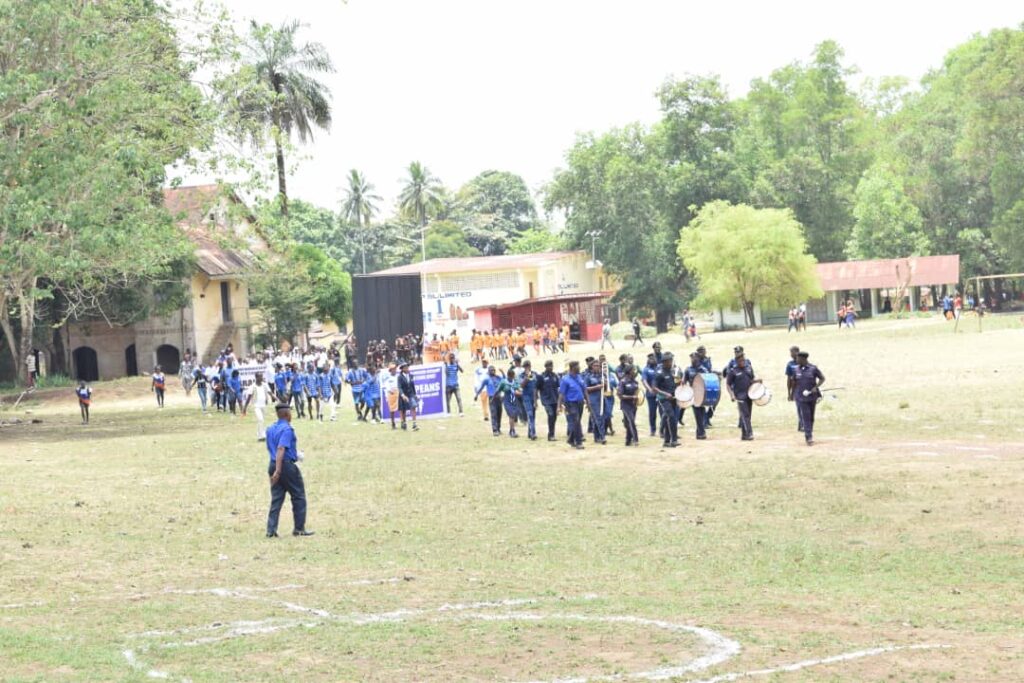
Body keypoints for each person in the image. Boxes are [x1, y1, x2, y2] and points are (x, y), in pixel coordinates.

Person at [265, 402, 313, 538]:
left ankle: (271, 530)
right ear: (287, 414)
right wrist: (279, 470)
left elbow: (273, 448)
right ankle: (299, 528)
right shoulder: (287, 429)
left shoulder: (270, 429)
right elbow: (281, 448)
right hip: (284, 466)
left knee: (277, 498)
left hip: (273, 463)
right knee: (298, 496)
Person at [792, 351, 825, 446]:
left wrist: (816, 387)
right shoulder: (795, 370)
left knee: (811, 417)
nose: (796, 360)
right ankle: (808, 437)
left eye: (798, 358)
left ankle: (809, 432)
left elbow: (822, 378)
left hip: (812, 397)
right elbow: (793, 382)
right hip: (801, 398)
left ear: (803, 359)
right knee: (805, 416)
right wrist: (792, 394)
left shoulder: (813, 369)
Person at [725, 349, 759, 441]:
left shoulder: (748, 368)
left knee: (748, 415)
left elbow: (751, 380)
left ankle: (744, 435)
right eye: (740, 361)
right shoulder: (733, 371)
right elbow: (728, 384)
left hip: (749, 395)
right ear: (736, 361)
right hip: (740, 396)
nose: (742, 362)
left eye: (743, 360)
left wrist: (757, 381)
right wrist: (731, 395)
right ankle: (749, 434)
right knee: (745, 415)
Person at [651, 353, 679, 448]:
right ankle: (674, 440)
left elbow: (675, 383)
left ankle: (666, 441)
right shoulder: (659, 373)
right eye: (670, 361)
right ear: (664, 362)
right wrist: (665, 394)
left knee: (669, 418)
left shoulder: (672, 372)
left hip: (673, 398)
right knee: (671, 417)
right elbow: (654, 388)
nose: (671, 362)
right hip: (663, 399)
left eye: (672, 360)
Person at [558, 360, 586, 450]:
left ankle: (570, 439)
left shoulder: (579, 377)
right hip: (570, 403)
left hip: (580, 402)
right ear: (572, 368)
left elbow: (584, 390)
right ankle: (579, 442)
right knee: (576, 421)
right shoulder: (565, 379)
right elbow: (561, 394)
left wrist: (588, 403)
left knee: (576, 422)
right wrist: (559, 406)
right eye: (578, 367)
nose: (579, 368)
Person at [475, 365, 504, 436]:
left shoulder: (498, 377)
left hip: (499, 397)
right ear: (488, 371)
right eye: (491, 370)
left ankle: (498, 428)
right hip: (492, 398)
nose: (493, 371)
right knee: (494, 414)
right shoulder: (487, 379)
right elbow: (481, 387)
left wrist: (502, 372)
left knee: (499, 413)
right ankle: (495, 430)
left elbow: (505, 380)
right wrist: (476, 395)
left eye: (494, 370)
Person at [583, 360, 607, 444]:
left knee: (598, 418)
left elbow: (606, 387)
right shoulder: (588, 376)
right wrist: (597, 387)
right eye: (595, 365)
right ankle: (602, 436)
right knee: (598, 418)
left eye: (598, 365)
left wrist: (606, 383)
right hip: (593, 399)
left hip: (602, 398)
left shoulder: (602, 375)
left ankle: (596, 437)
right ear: (592, 366)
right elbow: (585, 388)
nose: (597, 367)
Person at [536, 359, 560, 441]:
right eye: (549, 366)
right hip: (546, 400)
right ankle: (551, 435)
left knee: (554, 417)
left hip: (555, 400)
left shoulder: (555, 376)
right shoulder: (541, 377)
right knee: (551, 415)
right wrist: (535, 400)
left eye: (552, 365)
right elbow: (536, 388)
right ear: (545, 367)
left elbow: (558, 387)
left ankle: (552, 433)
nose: (551, 367)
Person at [617, 365, 641, 446]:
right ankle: (635, 439)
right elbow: (620, 395)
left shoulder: (635, 382)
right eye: (633, 370)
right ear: (629, 371)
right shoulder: (622, 382)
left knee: (628, 423)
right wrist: (632, 397)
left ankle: (627, 440)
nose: (634, 371)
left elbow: (638, 393)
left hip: (633, 405)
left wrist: (638, 399)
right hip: (625, 405)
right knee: (631, 421)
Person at [249, 372, 273, 441]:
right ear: (256, 378)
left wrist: (277, 399)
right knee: (260, 419)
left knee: (262, 420)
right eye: (260, 377)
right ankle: (261, 436)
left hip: (263, 405)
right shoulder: (253, 386)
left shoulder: (265, 385)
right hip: (256, 406)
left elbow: (270, 393)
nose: (262, 378)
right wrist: (244, 408)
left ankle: (261, 435)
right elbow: (249, 396)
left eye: (262, 376)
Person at [785, 346, 804, 434]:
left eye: (792, 352)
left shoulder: (804, 362)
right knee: (799, 407)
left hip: (804, 388)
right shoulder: (790, 365)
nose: (791, 354)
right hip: (796, 389)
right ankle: (802, 424)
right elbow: (789, 380)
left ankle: (802, 424)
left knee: (804, 407)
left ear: (797, 352)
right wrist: (789, 393)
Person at [640, 354, 659, 437]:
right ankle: (653, 429)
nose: (652, 360)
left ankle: (663, 429)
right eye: (650, 358)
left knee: (663, 412)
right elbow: (644, 381)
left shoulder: (659, 368)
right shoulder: (646, 369)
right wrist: (649, 389)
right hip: (651, 395)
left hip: (660, 393)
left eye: (653, 358)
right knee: (652, 413)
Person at [519, 360, 538, 440]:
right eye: (525, 366)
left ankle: (529, 432)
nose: (527, 367)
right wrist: (527, 377)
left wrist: (536, 400)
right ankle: (533, 433)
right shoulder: (521, 375)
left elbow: (536, 387)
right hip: (526, 397)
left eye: (528, 366)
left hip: (533, 397)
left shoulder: (535, 374)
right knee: (530, 414)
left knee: (533, 415)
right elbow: (521, 385)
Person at [397, 363, 418, 431]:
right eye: (405, 368)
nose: (407, 369)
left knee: (414, 406)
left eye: (407, 367)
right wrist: (402, 395)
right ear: (402, 369)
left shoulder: (411, 375)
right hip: (403, 395)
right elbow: (399, 387)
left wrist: (415, 395)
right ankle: (404, 423)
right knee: (403, 410)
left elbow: (412, 385)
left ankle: (414, 424)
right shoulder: (399, 377)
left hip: (410, 394)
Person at [501, 368, 522, 438]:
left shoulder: (514, 382)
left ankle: (511, 430)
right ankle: (512, 431)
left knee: (513, 416)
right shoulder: (505, 382)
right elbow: (499, 390)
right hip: (508, 401)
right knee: (511, 416)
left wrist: (521, 391)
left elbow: (518, 388)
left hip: (514, 401)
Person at [473, 358, 491, 423]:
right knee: (484, 403)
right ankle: (486, 416)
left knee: (490, 402)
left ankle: (491, 414)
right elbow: (476, 380)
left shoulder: (490, 369)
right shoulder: (478, 370)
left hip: (489, 388)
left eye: (485, 362)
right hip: (482, 389)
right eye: (483, 362)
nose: (484, 363)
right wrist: (476, 389)